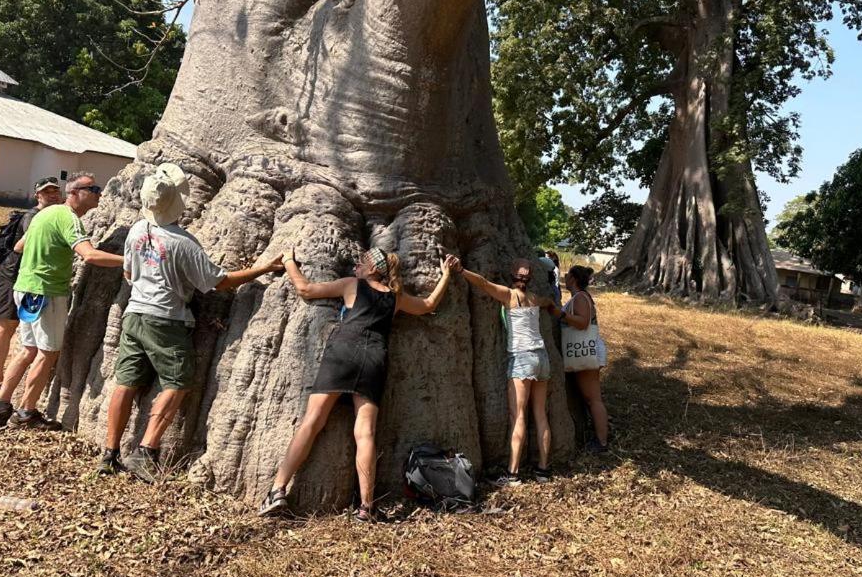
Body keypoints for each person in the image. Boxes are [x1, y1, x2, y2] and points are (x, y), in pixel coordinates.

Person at [98, 163, 286, 481]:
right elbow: (217, 282)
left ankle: (109, 453)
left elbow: (129, 273)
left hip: (133, 316)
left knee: (126, 383)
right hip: (166, 320)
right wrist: (263, 269)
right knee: (179, 382)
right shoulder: (183, 243)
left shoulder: (136, 231)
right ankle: (146, 451)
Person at [259, 248, 460, 521]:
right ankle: (367, 508)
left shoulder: (352, 285)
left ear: (374, 269)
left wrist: (289, 262)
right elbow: (428, 306)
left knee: (312, 421)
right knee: (365, 433)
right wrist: (446, 275)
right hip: (373, 359)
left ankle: (277, 490)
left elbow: (305, 289)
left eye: (362, 262)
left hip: (342, 353)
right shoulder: (396, 297)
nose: (357, 265)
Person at [0, 173, 124, 430]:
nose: (99, 193)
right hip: (46, 293)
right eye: (92, 188)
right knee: (47, 354)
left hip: (26, 289)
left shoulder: (45, 214)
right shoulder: (68, 218)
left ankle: (0, 406)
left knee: (28, 349)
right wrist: (129, 262)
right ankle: (26, 412)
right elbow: (89, 255)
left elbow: (20, 246)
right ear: (74, 192)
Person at [457, 257, 559, 486]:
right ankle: (543, 470)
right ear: (529, 278)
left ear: (512, 275)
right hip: (542, 358)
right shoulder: (534, 298)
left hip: (522, 359)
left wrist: (461, 270)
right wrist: (556, 309)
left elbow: (483, 283)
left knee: (518, 416)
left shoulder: (509, 295)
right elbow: (549, 302)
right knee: (541, 415)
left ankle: (513, 474)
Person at [0, 177, 62, 391]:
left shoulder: (54, 215)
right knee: (7, 325)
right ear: (38, 195)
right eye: (47, 192)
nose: (53, 194)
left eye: (55, 190)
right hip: (11, 275)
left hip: (27, 278)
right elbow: (27, 244)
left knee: (19, 327)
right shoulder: (33, 217)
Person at [560, 265, 609, 454]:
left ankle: (602, 442)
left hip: (586, 351)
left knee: (593, 399)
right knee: (590, 398)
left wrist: (561, 314)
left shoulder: (580, 297)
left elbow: (583, 322)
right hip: (585, 351)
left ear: (573, 278)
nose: (564, 278)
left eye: (567, 275)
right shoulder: (579, 297)